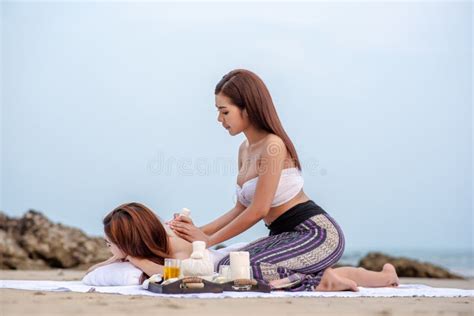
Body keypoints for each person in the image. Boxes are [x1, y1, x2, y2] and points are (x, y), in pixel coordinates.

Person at [169, 69, 400, 291]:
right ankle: (379, 277)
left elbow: (259, 209)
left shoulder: (273, 146)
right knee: (228, 265)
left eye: (225, 111)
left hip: (316, 234)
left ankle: (323, 282)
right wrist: (197, 231)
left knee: (246, 269)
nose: (219, 119)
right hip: (283, 236)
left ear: (247, 109)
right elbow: (241, 208)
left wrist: (206, 241)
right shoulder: (244, 149)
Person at [87, 202, 398, 290]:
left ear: (128, 242)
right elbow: (94, 272)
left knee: (317, 278)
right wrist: (120, 256)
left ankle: (384, 278)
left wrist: (131, 257)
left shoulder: (171, 241)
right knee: (325, 275)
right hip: (233, 257)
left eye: (110, 243)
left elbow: (172, 272)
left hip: (237, 259)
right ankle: (385, 277)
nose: (108, 249)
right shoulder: (151, 244)